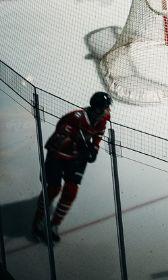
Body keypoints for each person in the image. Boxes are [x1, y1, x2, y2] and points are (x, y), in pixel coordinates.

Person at [31, 92, 112, 243]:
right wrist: (77, 142)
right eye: (105, 107)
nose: (107, 110)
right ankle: (38, 222)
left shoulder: (103, 118)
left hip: (77, 157)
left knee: (71, 191)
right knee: (53, 189)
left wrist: (94, 148)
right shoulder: (75, 117)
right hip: (58, 153)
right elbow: (61, 132)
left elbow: (98, 134)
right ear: (96, 108)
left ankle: (54, 225)